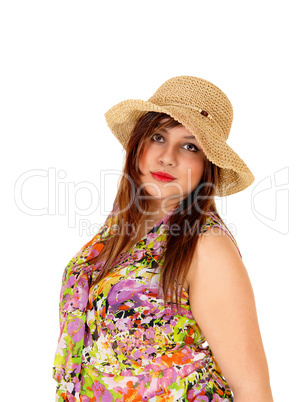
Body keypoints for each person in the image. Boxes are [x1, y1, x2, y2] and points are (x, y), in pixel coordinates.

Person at [53, 76, 274, 401]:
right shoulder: (116, 233)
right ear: (138, 143)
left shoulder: (205, 245)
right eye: (158, 136)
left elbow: (252, 388)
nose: (168, 156)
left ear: (206, 166)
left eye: (189, 146)